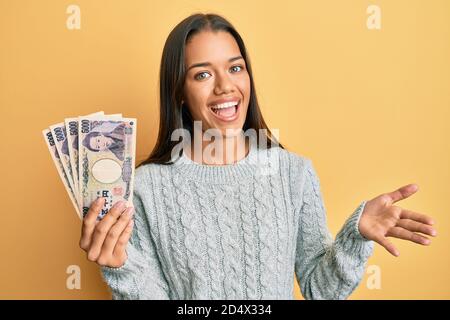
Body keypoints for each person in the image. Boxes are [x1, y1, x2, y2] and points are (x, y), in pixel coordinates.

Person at [78, 13, 437, 300]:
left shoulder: (294, 174)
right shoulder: (144, 189)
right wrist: (120, 267)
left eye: (235, 68)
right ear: (179, 93)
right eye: (202, 74)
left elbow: (319, 289)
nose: (225, 86)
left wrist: (354, 236)